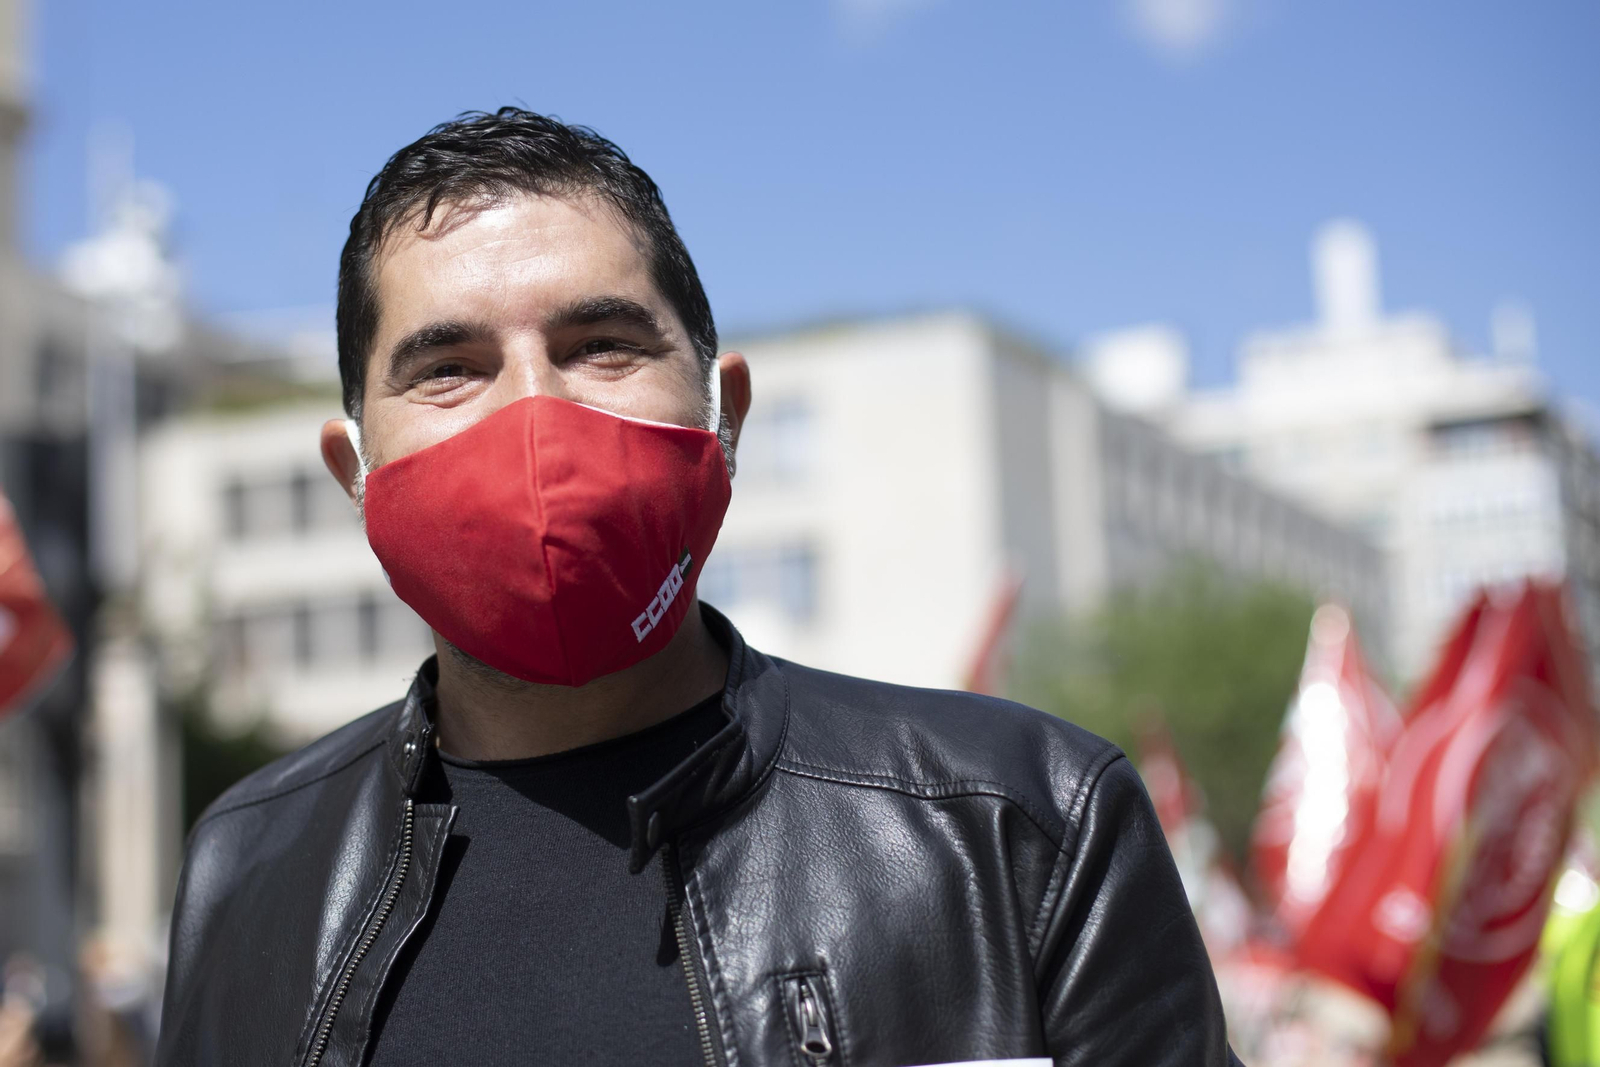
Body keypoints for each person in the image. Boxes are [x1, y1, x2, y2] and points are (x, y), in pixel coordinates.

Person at [155, 108, 1239, 1067]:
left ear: (725, 415)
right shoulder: (250, 865)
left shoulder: (1023, 824)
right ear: (356, 473)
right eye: (449, 367)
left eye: (601, 344)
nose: (533, 417)